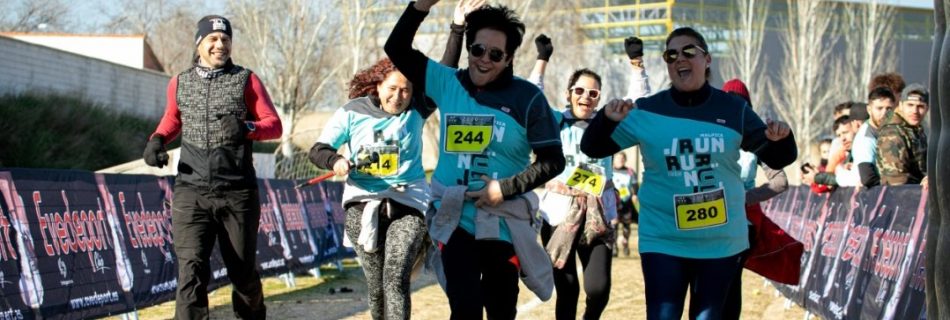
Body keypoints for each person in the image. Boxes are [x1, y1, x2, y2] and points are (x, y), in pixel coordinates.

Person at [579, 27, 797, 319]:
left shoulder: (733, 109)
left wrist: (782, 138)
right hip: (664, 238)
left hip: (721, 241)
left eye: (689, 51)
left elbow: (780, 156)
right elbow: (593, 147)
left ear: (706, 60)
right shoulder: (647, 110)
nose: (679, 58)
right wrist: (605, 119)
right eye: (671, 54)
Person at [385, 1, 566, 319]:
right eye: (478, 49)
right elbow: (396, 47)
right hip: (455, 218)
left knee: (500, 308)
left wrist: (504, 188)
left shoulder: (528, 98)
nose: (484, 59)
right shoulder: (447, 82)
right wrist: (420, 7)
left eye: (495, 54)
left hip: (503, 222)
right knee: (465, 307)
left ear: (509, 58)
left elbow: (553, 160)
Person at [141, 15, 281, 319]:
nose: (220, 45)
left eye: (226, 40)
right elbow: (173, 118)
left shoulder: (246, 79)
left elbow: (274, 125)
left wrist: (245, 127)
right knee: (191, 271)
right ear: (199, 43)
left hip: (237, 192)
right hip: (191, 190)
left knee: (242, 272)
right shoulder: (180, 81)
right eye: (213, 39)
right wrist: (157, 140)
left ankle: (252, 314)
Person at [307, 58, 432, 320]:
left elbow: (448, 64)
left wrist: (457, 27)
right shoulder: (352, 112)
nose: (398, 97)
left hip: (408, 200)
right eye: (392, 88)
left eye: (406, 90)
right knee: (376, 287)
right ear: (378, 84)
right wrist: (336, 160)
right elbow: (318, 150)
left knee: (395, 279)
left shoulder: (418, 109)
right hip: (362, 203)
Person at [528, 34, 618, 320]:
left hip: (597, 215)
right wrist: (542, 60)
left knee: (599, 289)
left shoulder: (608, 127)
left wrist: (638, 64)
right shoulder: (555, 121)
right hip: (558, 216)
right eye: (579, 91)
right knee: (567, 290)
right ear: (569, 93)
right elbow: (531, 97)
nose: (586, 98)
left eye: (593, 94)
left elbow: (636, 103)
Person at [720, 78, 790, 320]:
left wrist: (743, 197)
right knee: (706, 284)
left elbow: (780, 181)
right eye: (728, 102)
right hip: (708, 219)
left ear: (747, 109)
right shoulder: (709, 136)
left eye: (740, 105)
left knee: (729, 283)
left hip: (742, 222)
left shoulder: (756, 142)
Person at [877, 84, 930, 185]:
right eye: (910, 105)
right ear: (901, 106)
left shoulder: (915, 130)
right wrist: (922, 182)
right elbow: (895, 179)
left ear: (927, 109)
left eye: (920, 106)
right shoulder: (892, 133)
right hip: (899, 196)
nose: (915, 111)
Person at [853, 87, 898, 188]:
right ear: (869, 109)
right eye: (879, 108)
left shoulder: (890, 131)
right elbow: (868, 178)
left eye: (889, 108)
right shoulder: (866, 138)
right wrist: (895, 189)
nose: (884, 113)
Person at [612, 151, 639, 257]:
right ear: (614, 159)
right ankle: (614, 247)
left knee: (626, 225)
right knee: (614, 225)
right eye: (618, 158)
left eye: (622, 158)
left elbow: (635, 184)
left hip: (626, 202)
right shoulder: (610, 170)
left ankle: (625, 243)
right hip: (614, 203)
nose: (620, 160)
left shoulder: (630, 171)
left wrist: (635, 194)